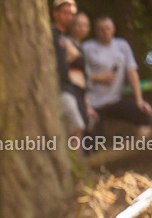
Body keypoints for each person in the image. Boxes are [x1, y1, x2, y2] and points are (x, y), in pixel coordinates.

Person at [83, 16, 152, 138]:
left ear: (113, 29)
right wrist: (99, 78)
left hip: (115, 100)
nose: (105, 32)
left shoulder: (122, 45)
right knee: (91, 137)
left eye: (108, 28)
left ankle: (144, 150)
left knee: (143, 115)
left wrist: (139, 100)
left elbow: (132, 73)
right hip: (93, 103)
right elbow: (78, 76)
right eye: (101, 29)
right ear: (95, 31)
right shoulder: (86, 48)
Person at [52, 0, 96, 144]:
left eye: (72, 14)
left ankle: (78, 165)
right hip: (60, 90)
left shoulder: (71, 42)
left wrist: (87, 103)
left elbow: (82, 74)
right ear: (56, 14)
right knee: (76, 126)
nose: (69, 17)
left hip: (75, 91)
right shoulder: (50, 35)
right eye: (65, 13)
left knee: (79, 128)